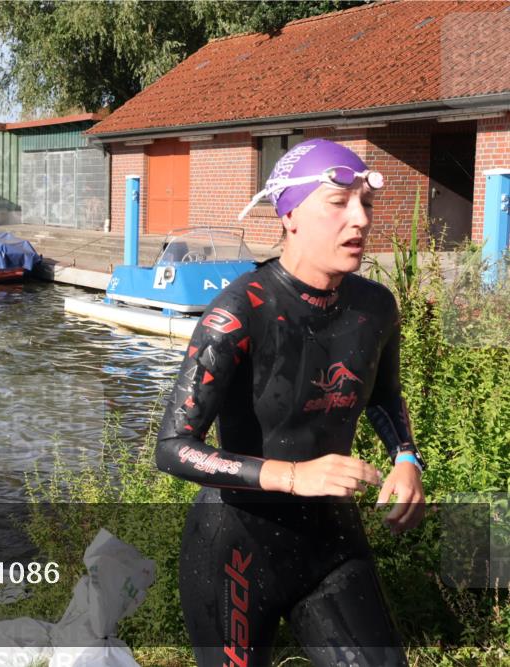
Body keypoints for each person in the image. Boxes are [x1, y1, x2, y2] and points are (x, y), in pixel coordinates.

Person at [156, 139, 426, 666]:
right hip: (235, 545)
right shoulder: (237, 311)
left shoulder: (376, 307)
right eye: (338, 201)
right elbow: (172, 447)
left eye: (365, 205)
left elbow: (383, 396)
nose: (360, 220)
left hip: (330, 541)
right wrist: (294, 476)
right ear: (290, 213)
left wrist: (407, 459)